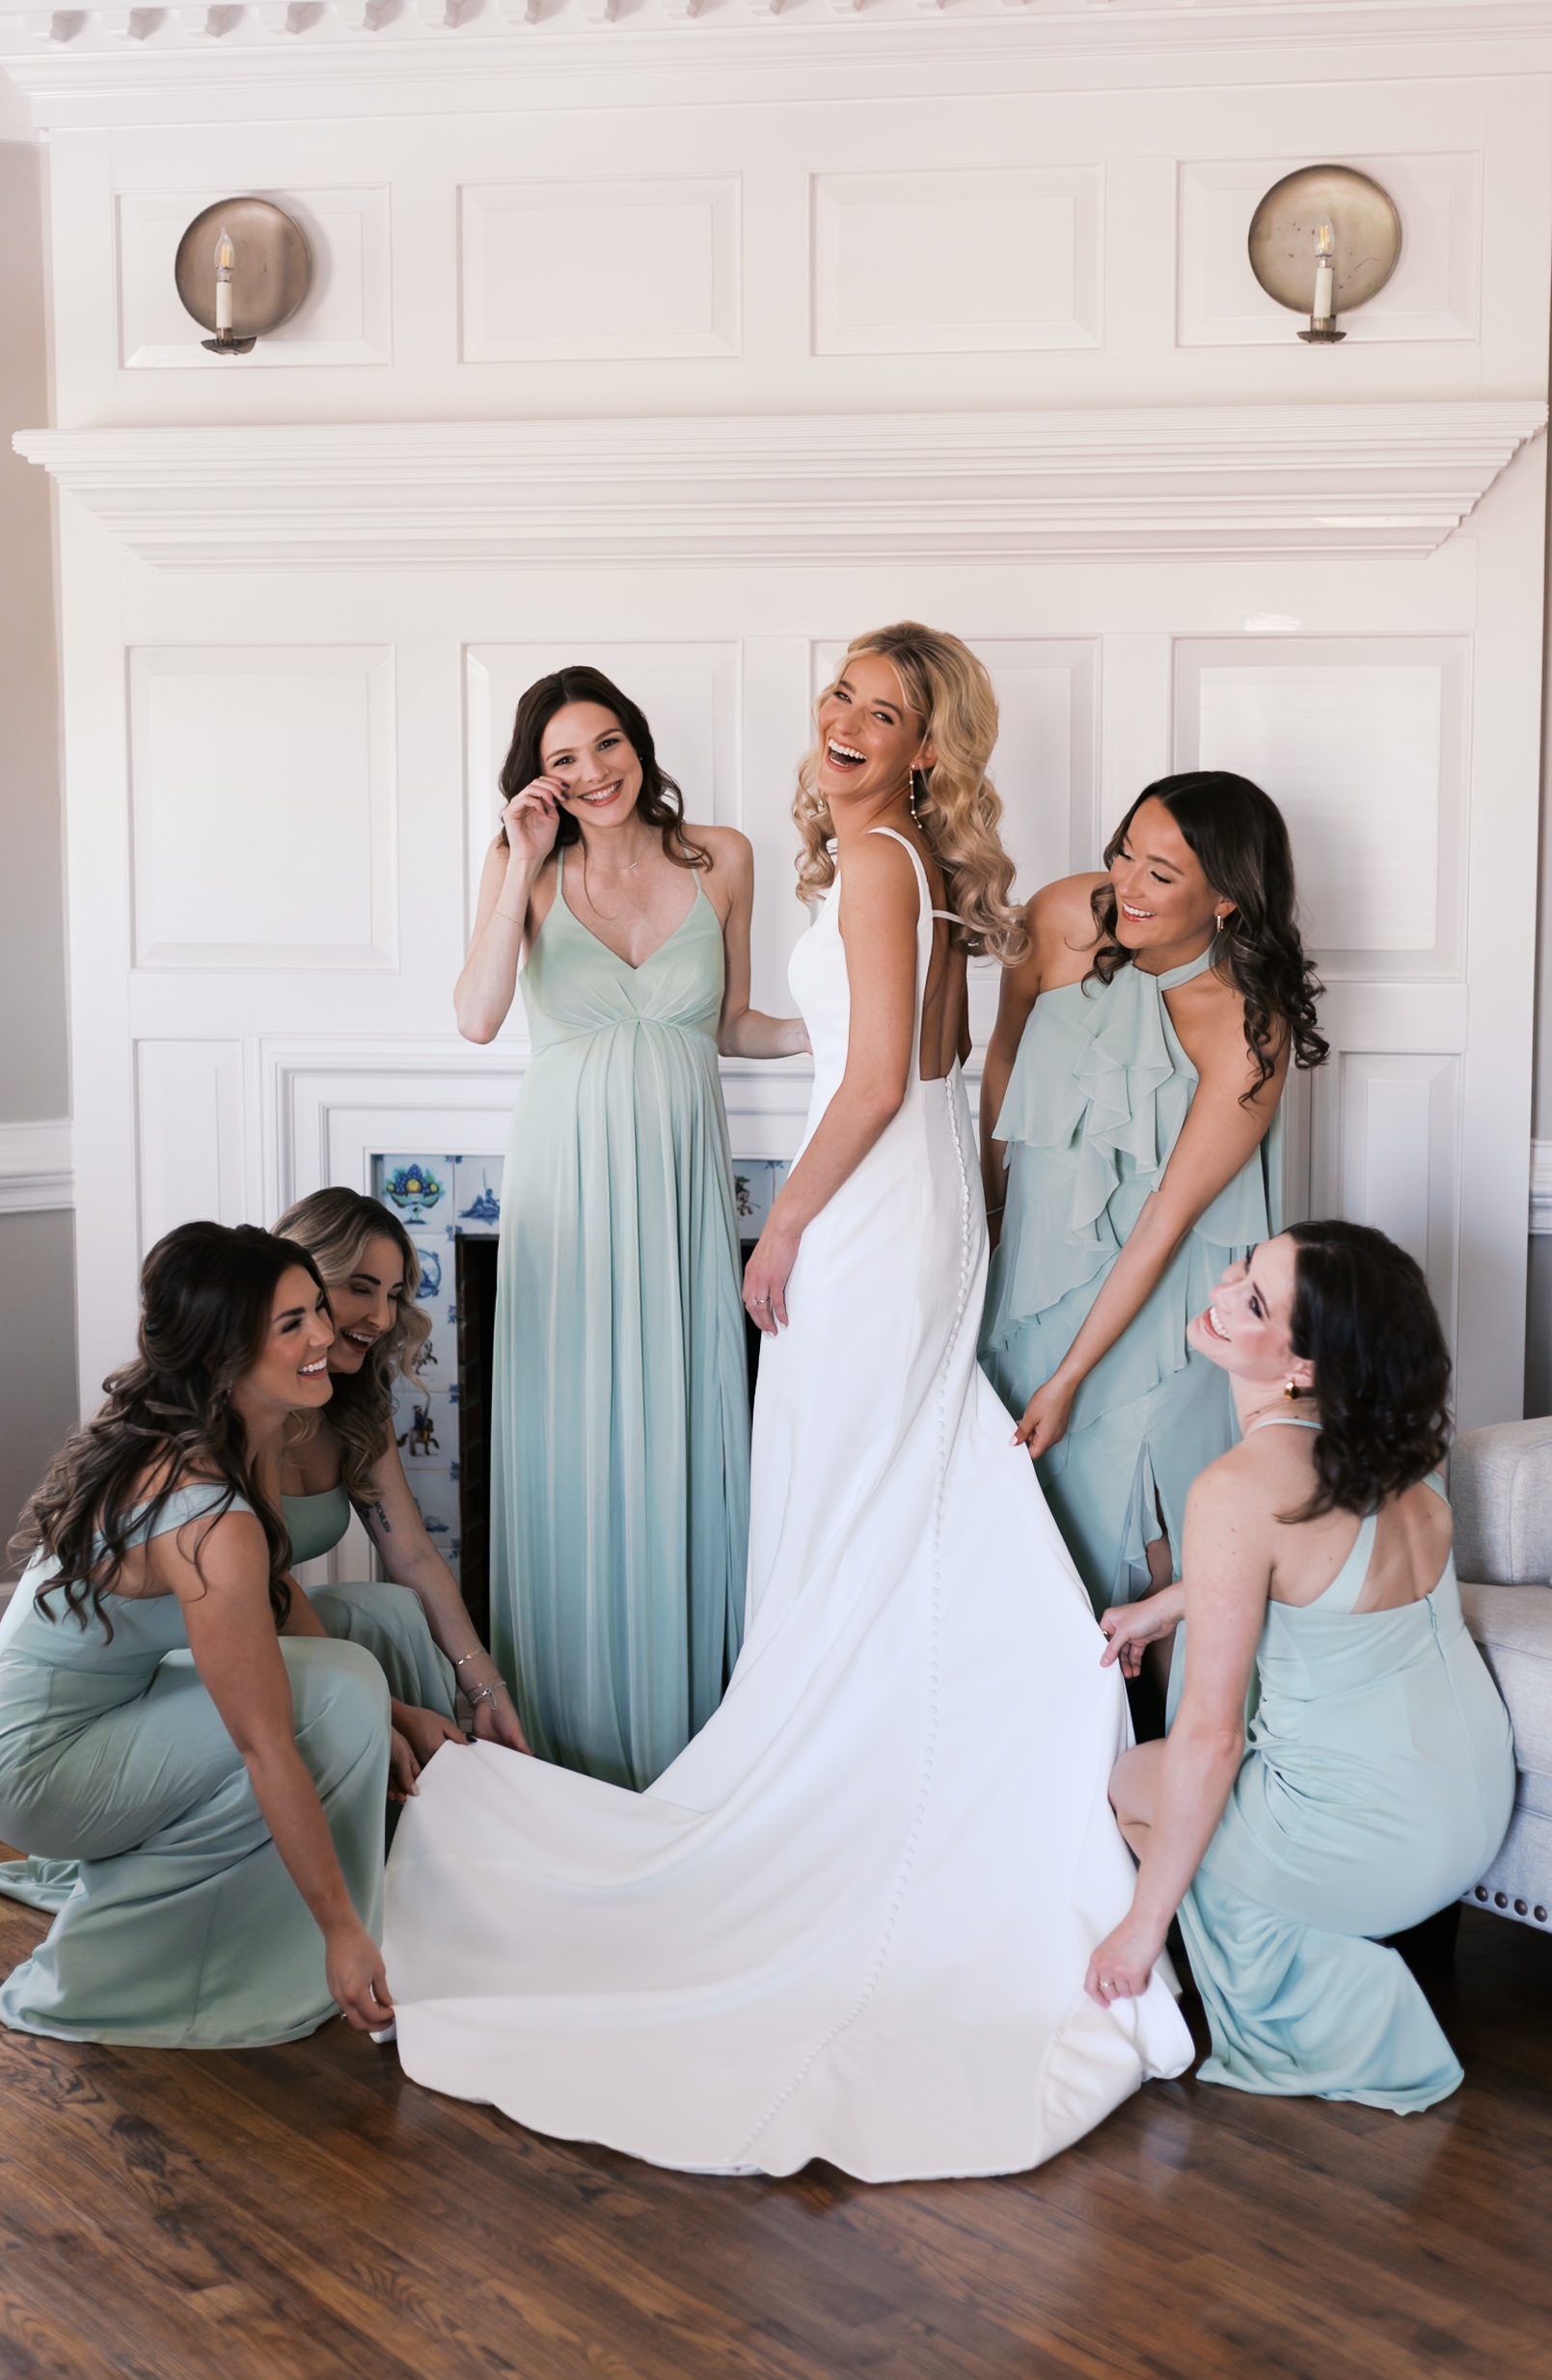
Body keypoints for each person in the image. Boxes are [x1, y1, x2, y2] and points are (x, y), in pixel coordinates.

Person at [384, 622, 1192, 2183]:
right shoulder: (884, 862)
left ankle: (883, 1782)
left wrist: (784, 1218)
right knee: (875, 1490)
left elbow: (875, 1078)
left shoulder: (869, 859)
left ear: (922, 746)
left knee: (853, 1490)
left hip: (878, 1200)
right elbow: (851, 1049)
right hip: (901, 1194)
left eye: (877, 709)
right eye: (835, 692)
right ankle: (909, 1750)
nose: (839, 719)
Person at [455, 664, 806, 1789]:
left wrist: (849, 1031)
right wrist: (516, 862)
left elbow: (732, 1021)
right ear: (537, 779)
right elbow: (474, 1017)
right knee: (571, 1429)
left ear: (639, 744)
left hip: (675, 1190)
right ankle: (566, 1737)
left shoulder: (724, 857)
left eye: (607, 744)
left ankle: (689, 1726)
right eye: (564, 759)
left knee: (677, 1413)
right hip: (565, 1187)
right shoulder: (529, 871)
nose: (594, 772)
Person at [1087, 1222, 1515, 2111]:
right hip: (1472, 1817)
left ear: (1304, 1368)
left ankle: (1290, 1945)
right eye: (1244, 1267)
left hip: (1370, 1853)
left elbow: (1208, 1739)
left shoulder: (1238, 1488)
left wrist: (1138, 1929)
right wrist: (1163, 1606)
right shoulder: (1400, 1448)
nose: (1219, 1292)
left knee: (1135, 1776)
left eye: (1250, 1302)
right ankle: (1327, 1913)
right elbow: (1317, 1574)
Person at [0, 1223, 395, 2048]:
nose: (326, 1334)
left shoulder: (224, 1440)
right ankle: (176, 1952)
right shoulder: (209, 1516)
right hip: (38, 1772)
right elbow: (265, 1746)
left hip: (79, 1718)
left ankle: (393, 1850)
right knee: (342, 1687)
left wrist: (395, 1724)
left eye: (316, 1307)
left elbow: (281, 1604)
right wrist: (339, 1933)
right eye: (292, 1325)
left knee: (364, 1639)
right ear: (224, 1354)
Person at [979, 771, 1327, 1621]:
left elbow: (1167, 1219)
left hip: (1160, 1294)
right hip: (1034, 1260)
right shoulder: (1064, 916)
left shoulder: (1249, 1025)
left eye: (1160, 875)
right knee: (1025, 1518)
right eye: (1123, 854)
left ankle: (1174, 1733)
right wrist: (985, 1216)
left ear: (1225, 901)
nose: (1124, 888)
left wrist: (1069, 1379)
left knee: (1149, 1522)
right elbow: (1002, 1058)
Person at [269, 1188, 530, 1773]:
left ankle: (425, 1808)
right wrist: (382, 1711)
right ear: (299, 1285)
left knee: (392, 1612)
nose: (383, 1319)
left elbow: (411, 1554)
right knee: (366, 1647)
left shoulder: (356, 1405)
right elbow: (264, 1587)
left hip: (262, 1611)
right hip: (193, 1641)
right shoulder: (254, 1401)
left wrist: (485, 1689)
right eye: (360, 1288)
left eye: (392, 1295)